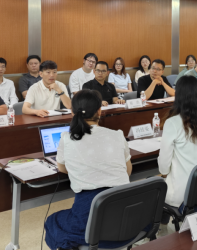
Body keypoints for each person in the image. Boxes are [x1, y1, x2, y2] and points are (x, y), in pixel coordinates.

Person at [45, 90, 133, 250]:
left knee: (52, 221)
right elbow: (127, 171)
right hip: (127, 220)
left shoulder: (67, 137)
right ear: (99, 111)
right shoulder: (117, 135)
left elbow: (62, 168)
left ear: (72, 112)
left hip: (91, 221)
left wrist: (82, 169)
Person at [158, 76, 197, 211]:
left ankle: (165, 221)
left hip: (182, 194)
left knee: (154, 184)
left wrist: (165, 174)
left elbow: (163, 168)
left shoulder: (172, 123)